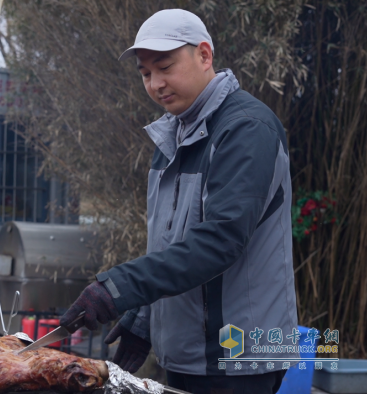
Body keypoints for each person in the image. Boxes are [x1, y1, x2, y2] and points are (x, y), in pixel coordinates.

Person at [59, 9, 297, 394]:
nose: (156, 83)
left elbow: (219, 240)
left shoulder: (245, 129)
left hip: (237, 357)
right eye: (145, 74)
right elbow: (172, 246)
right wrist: (145, 318)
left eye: (165, 67)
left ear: (204, 55)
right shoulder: (172, 138)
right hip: (189, 352)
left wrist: (120, 287)